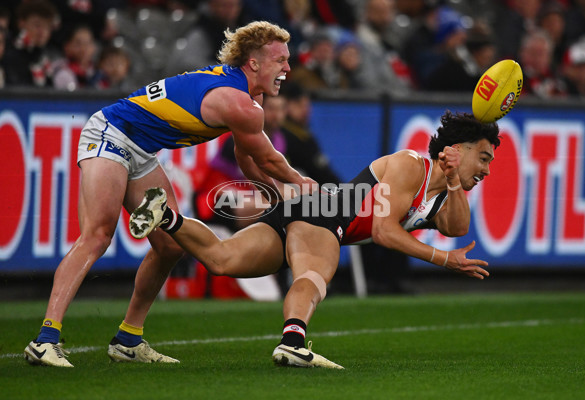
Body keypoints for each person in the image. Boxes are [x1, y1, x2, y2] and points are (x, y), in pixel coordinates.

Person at [24, 21, 315, 368]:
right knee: (98, 235)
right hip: (111, 134)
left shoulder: (250, 96)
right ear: (253, 63)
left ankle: (129, 339)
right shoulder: (238, 102)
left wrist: (273, 194)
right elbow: (267, 158)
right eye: (280, 59)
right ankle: (45, 339)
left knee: (171, 244)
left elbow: (245, 157)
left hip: (141, 150)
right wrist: (302, 184)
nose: (288, 68)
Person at [128, 111, 499, 369]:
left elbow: (457, 227)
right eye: (482, 158)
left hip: (306, 210)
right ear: (460, 148)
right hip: (324, 214)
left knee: (222, 259)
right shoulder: (410, 165)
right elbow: (383, 231)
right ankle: (292, 344)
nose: (485, 169)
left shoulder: (439, 190)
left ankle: (166, 216)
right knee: (314, 278)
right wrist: (444, 259)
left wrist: (453, 181)